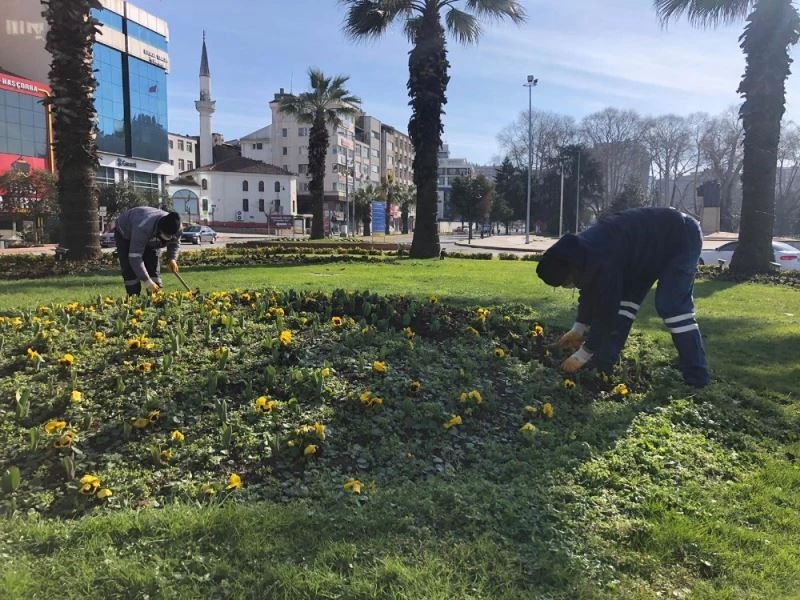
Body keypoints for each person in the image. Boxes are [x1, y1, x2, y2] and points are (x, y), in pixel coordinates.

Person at [536, 207, 710, 388]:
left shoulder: (604, 258)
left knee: (672, 307)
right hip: (642, 256)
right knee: (623, 310)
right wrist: (578, 328)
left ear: (572, 271)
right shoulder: (580, 253)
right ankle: (602, 368)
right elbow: (589, 290)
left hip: (680, 237)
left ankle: (697, 379)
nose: (567, 287)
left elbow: (606, 312)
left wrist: (583, 354)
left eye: (566, 283)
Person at [114, 207, 182, 295]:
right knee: (130, 270)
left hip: (148, 231)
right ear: (159, 229)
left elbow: (175, 243)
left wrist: (172, 259)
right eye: (165, 236)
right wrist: (147, 281)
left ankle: (157, 299)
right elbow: (135, 257)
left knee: (152, 264)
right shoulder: (143, 227)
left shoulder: (177, 227)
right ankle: (133, 297)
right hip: (125, 234)